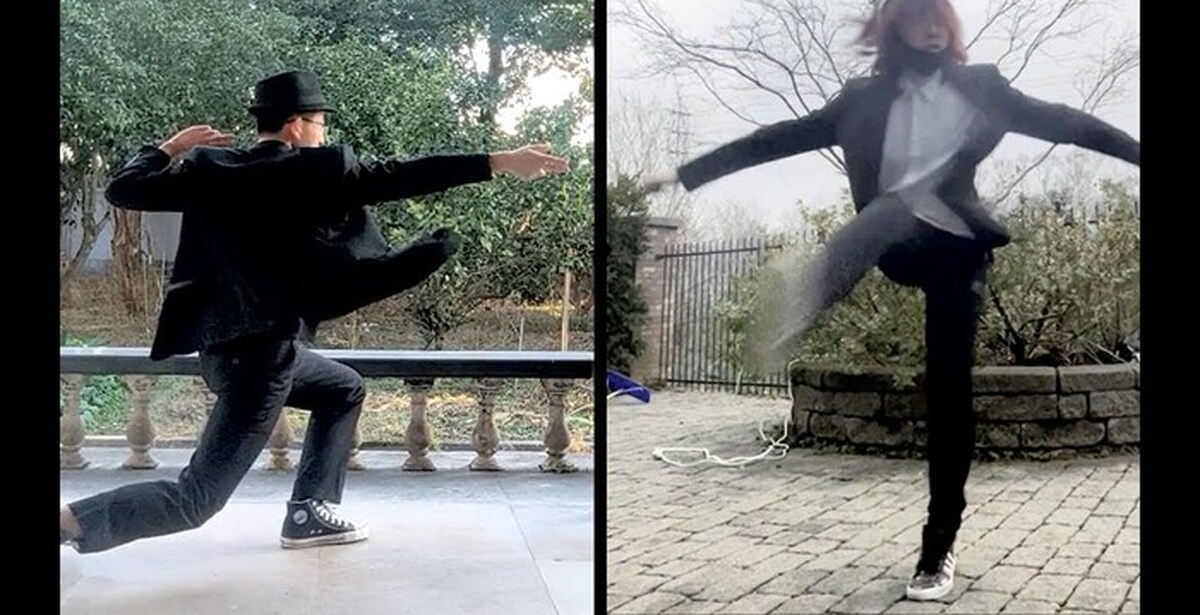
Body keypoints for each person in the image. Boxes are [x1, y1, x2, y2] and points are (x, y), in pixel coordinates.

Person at [645, 0, 1138, 601]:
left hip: (959, 254)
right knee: (893, 207)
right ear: (895, 28)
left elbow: (1067, 122)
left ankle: (938, 545)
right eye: (917, 19)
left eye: (940, 18)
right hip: (896, 245)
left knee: (950, 392)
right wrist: (688, 173)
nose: (931, 30)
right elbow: (779, 138)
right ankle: (807, 298)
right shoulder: (861, 100)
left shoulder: (984, 88)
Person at [60, 69, 568, 553]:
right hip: (260, 362)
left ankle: (309, 512)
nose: (323, 134)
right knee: (196, 499)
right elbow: (402, 175)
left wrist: (171, 147)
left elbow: (122, 188)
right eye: (320, 123)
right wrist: (499, 161)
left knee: (342, 388)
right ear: (296, 124)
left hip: (226, 350)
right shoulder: (315, 172)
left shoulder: (212, 171)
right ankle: (70, 521)